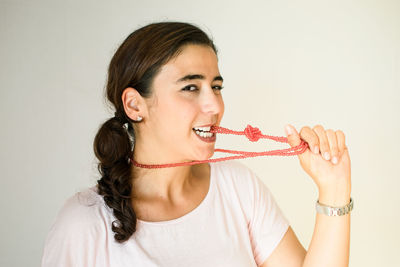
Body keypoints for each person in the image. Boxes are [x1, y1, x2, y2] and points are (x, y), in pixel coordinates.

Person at [41, 22, 352, 267]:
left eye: (216, 87)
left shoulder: (238, 188)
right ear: (135, 105)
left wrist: (335, 191)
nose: (214, 105)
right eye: (190, 87)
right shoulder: (82, 221)